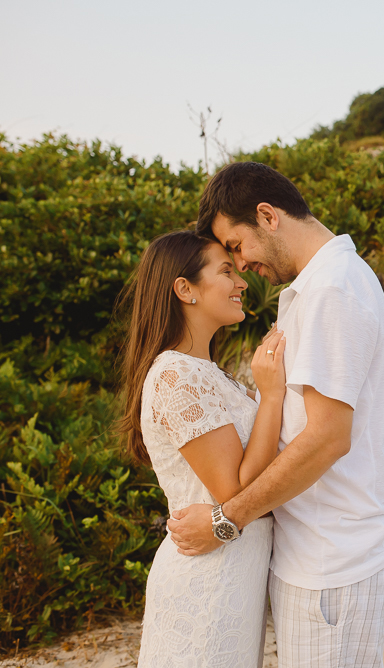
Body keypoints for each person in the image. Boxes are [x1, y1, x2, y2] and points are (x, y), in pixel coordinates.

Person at [166, 162, 384, 667]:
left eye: (236, 246)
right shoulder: (316, 288)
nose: (241, 265)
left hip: (335, 561)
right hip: (320, 556)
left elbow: (326, 439)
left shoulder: (331, 291)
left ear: (267, 216)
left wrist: (224, 521)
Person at [116, 230, 288, 667]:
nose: (242, 282)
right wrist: (270, 397)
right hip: (207, 583)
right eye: (226, 271)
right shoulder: (177, 375)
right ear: (184, 289)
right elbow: (232, 490)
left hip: (230, 576)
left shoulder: (204, 371)